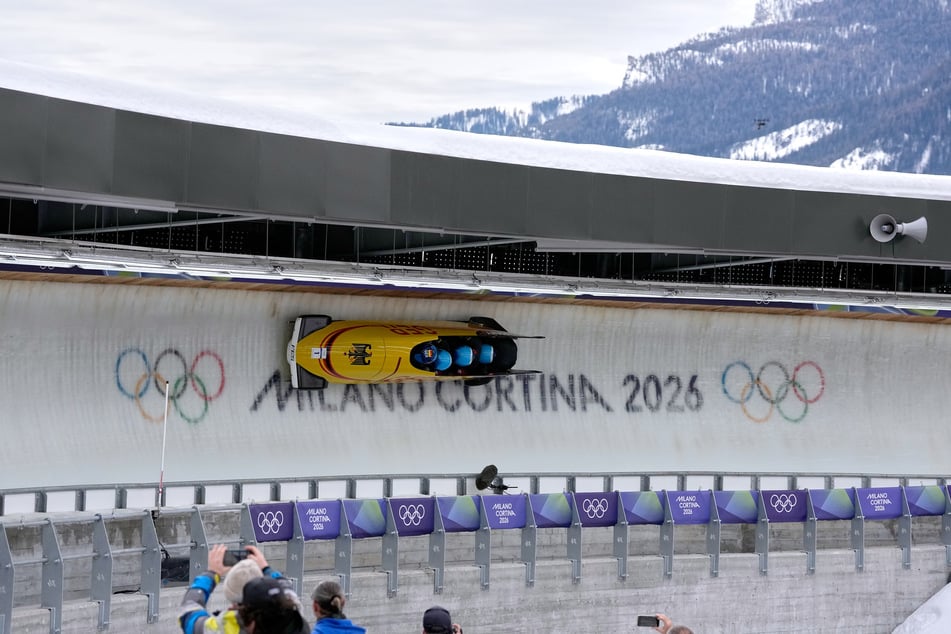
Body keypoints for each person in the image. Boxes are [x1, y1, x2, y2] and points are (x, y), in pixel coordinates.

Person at [179, 543, 309, 634]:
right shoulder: (297, 622)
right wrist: (266, 568)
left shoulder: (229, 626)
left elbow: (189, 613)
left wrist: (211, 574)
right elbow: (287, 589)